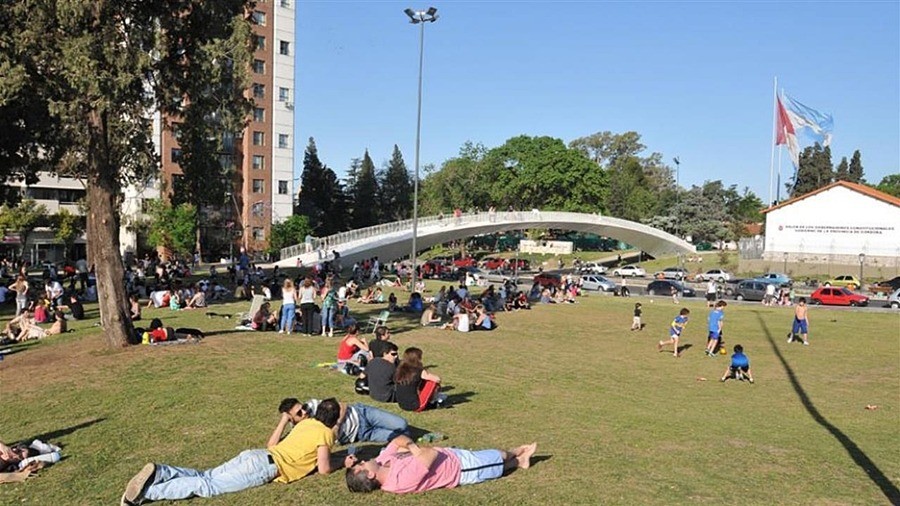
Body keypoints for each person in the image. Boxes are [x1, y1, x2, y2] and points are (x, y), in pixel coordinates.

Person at [121, 399, 342, 505]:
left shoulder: (305, 423)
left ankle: (162, 471)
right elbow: (323, 468)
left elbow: (273, 445)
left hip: (254, 456)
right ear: (333, 420)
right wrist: (343, 462)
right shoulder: (325, 433)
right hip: (267, 468)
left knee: (206, 475)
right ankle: (146, 493)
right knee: (209, 486)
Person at [344, 434, 536, 494]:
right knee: (498, 457)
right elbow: (430, 454)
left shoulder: (381, 461)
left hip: (452, 455)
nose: (362, 461)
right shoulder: (399, 480)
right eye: (361, 466)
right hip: (461, 469)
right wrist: (412, 448)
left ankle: (520, 460)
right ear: (370, 475)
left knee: (494, 459)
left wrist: (410, 447)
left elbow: (397, 439)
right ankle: (519, 453)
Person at [287, 398, 408, 446]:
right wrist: (283, 422)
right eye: (299, 413)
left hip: (362, 413)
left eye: (302, 408)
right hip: (362, 434)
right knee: (403, 438)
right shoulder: (301, 431)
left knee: (402, 424)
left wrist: (337, 423)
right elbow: (273, 446)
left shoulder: (312, 406)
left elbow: (342, 405)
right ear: (291, 419)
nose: (304, 412)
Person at [394, 347, 445, 412]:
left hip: (402, 404)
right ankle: (434, 401)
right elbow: (437, 379)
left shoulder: (400, 369)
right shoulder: (418, 370)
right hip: (415, 405)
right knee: (432, 382)